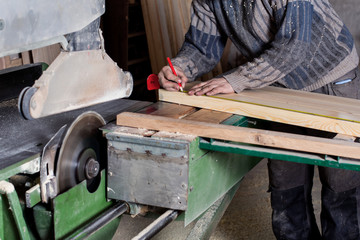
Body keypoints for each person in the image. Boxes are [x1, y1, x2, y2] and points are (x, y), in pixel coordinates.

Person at [158, 0, 360, 239]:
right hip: (279, 86)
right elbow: (202, 46)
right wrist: (181, 67)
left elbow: (294, 47)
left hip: (331, 78)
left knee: (341, 186)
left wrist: (236, 79)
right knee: (286, 182)